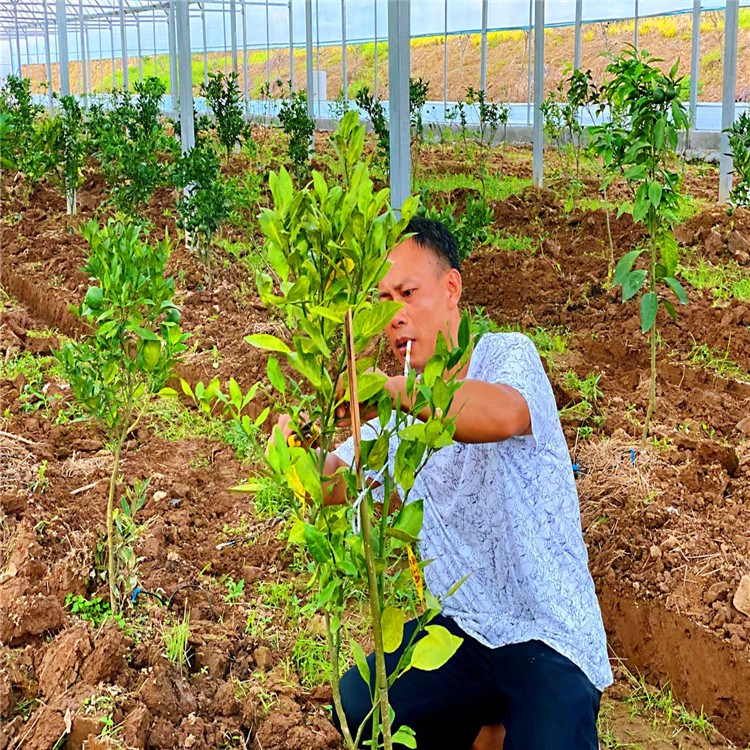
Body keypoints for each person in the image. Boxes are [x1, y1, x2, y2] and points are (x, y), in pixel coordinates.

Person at [277, 217, 612, 749]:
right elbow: (334, 484)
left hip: (547, 631)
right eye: (384, 300)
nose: (396, 316)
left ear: (451, 288)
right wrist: (296, 448)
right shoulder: (392, 416)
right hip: (462, 630)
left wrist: (394, 390)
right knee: (363, 711)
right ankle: (487, 730)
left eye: (408, 293)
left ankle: (508, 725)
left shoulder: (507, 355)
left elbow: (500, 416)